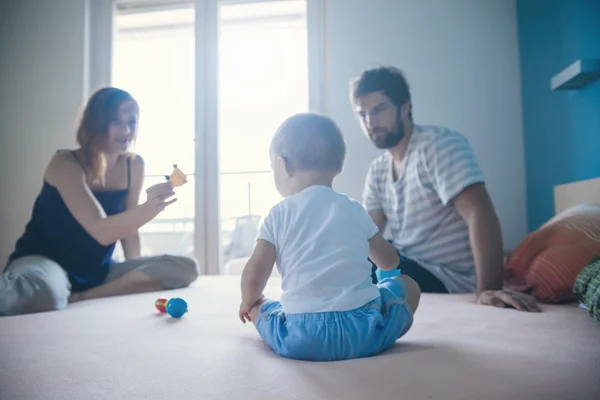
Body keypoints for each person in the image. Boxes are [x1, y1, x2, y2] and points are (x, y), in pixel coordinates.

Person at [349, 66, 539, 312]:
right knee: (350, 259)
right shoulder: (378, 169)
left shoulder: (439, 145)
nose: (370, 122)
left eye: (379, 110)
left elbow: (479, 213)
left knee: (362, 273)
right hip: (408, 259)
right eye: (362, 114)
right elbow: (368, 235)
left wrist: (488, 290)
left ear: (404, 107)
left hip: (448, 275)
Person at [0, 87, 199, 316]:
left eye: (132, 122)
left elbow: (128, 229)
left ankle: (84, 296)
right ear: (96, 123)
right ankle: (58, 290)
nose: (126, 130)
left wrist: (134, 267)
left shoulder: (133, 165)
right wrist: (150, 207)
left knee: (186, 267)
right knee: (46, 293)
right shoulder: (65, 163)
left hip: (98, 270)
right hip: (45, 262)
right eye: (116, 122)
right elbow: (100, 230)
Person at [238, 113, 421, 362]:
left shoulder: (278, 214)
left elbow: (254, 275)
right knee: (408, 286)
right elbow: (388, 261)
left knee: (262, 308)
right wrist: (386, 273)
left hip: (300, 338)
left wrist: (250, 302)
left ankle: (262, 309)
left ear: (284, 165)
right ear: (338, 165)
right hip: (364, 333)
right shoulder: (353, 209)